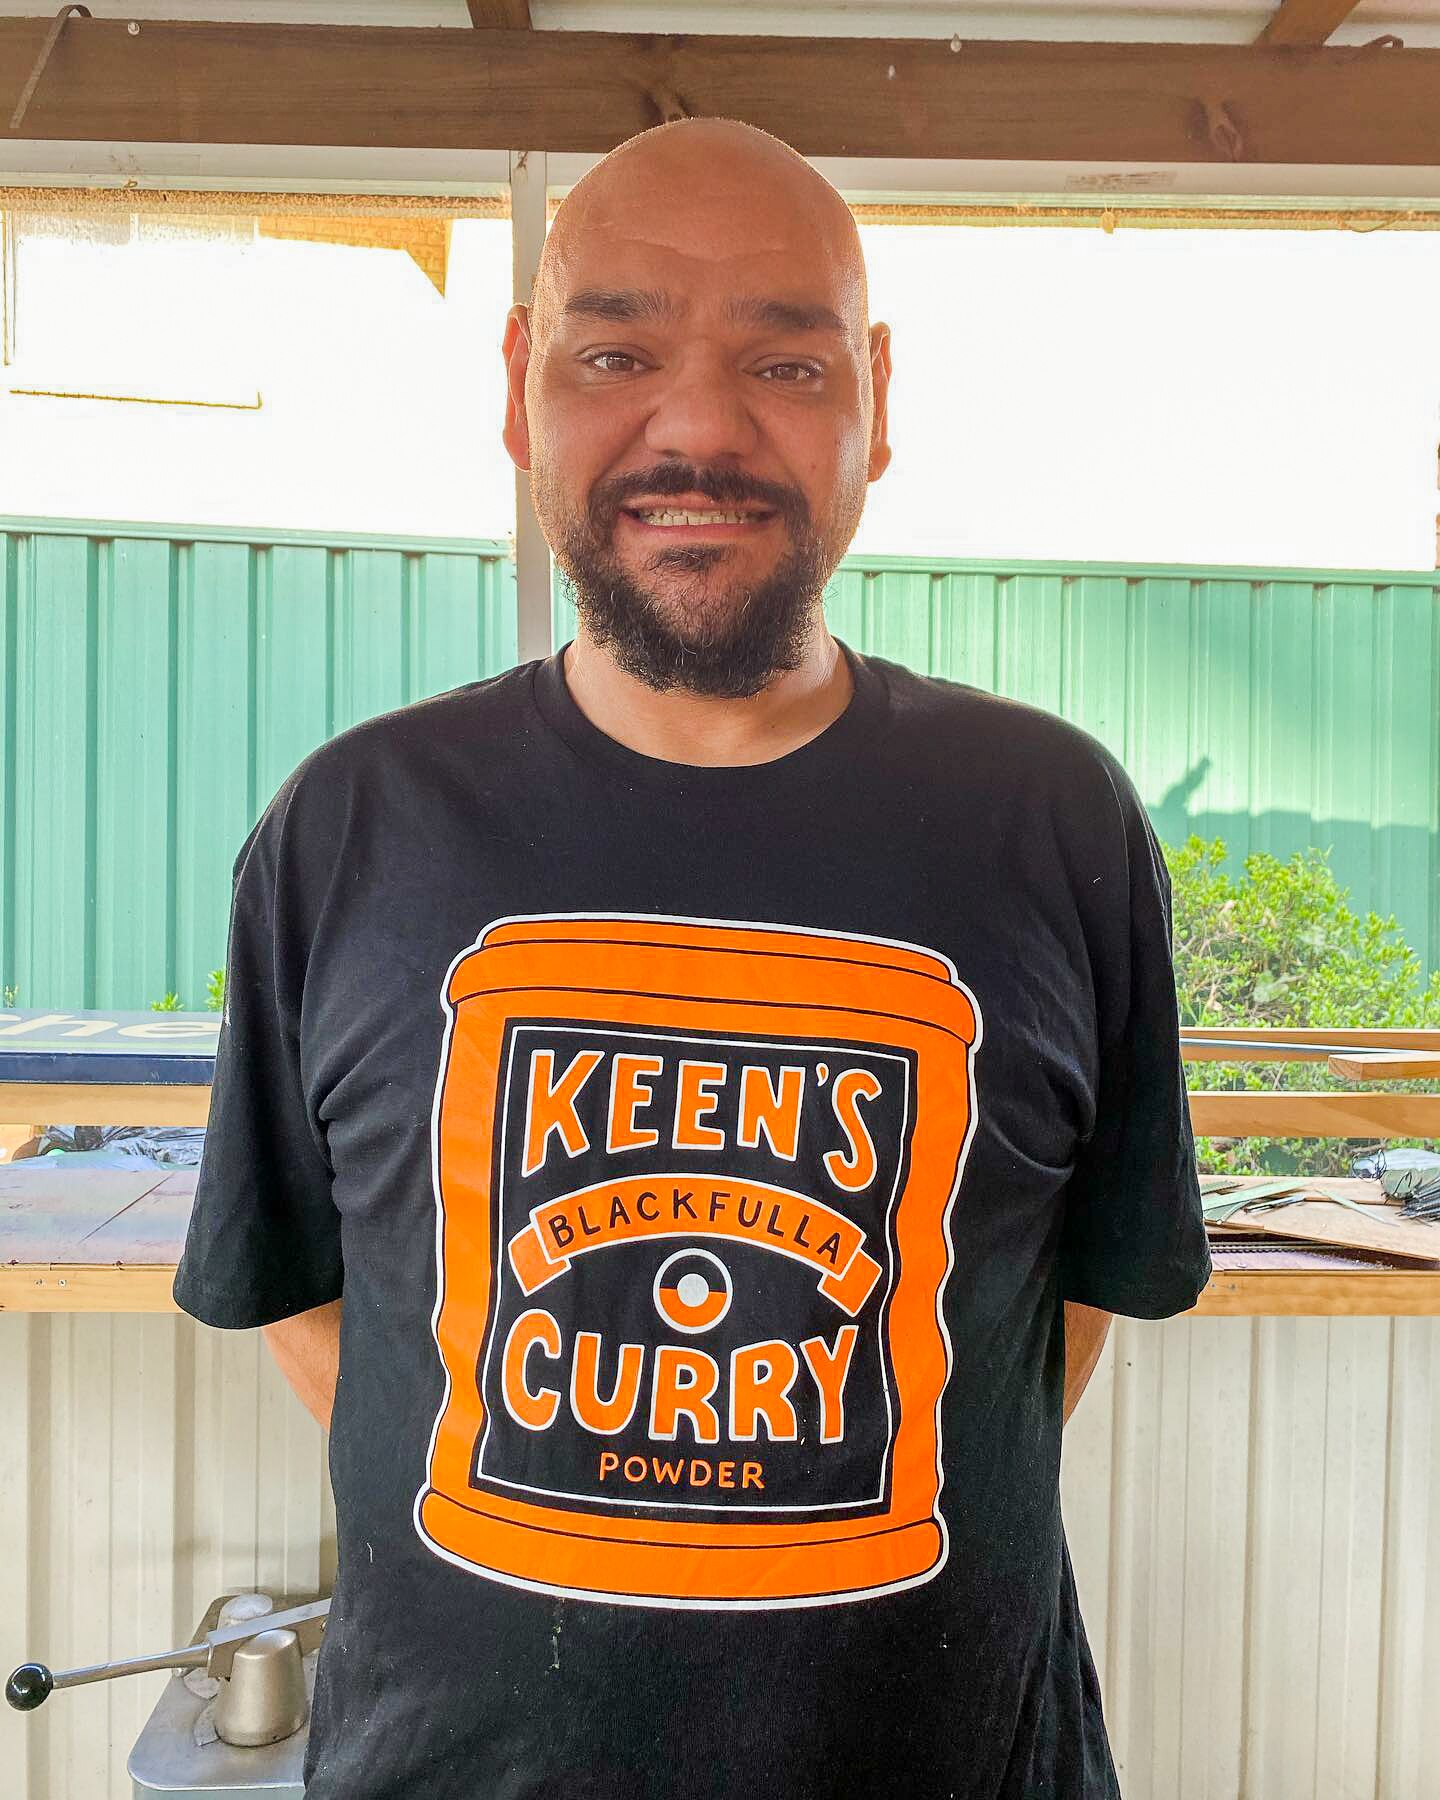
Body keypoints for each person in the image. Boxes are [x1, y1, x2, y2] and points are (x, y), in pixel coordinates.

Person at [174, 117, 1211, 1800]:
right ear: (522, 386)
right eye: (617, 350)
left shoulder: (1052, 817)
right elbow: (303, 1291)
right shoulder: (353, 824)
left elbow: (1066, 1301)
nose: (701, 428)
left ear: (876, 397)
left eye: (785, 362)